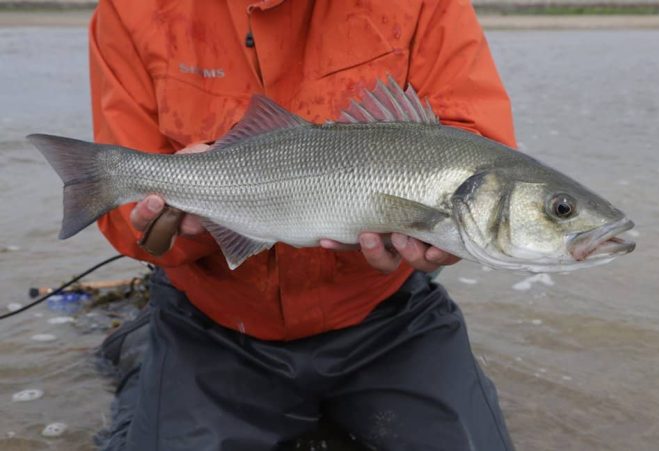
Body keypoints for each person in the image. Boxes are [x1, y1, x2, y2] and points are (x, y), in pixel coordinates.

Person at [90, 0, 517, 450]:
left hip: (388, 318)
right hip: (208, 322)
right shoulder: (129, 10)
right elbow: (124, 223)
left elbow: (475, 146)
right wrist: (171, 219)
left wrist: (452, 238)